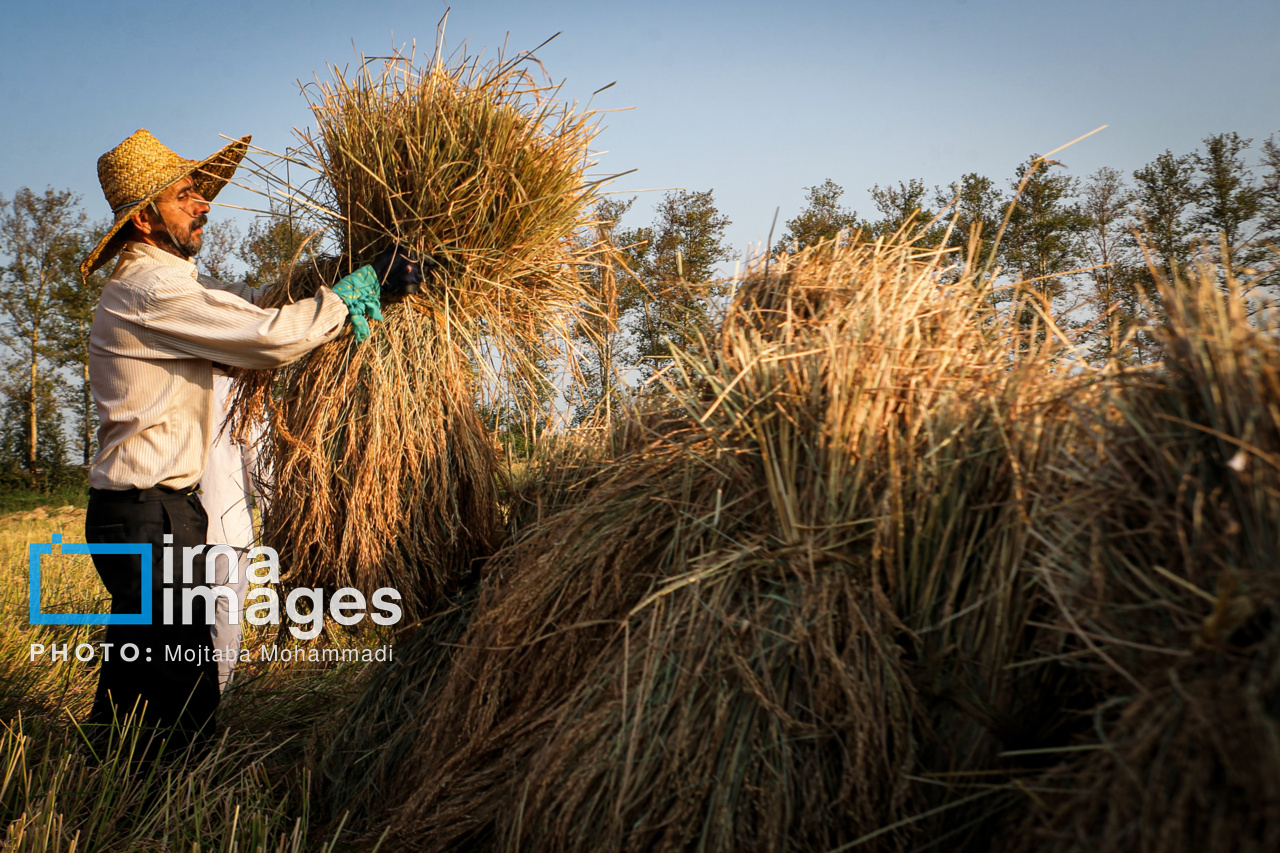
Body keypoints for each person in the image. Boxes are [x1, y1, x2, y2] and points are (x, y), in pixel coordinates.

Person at [80, 128, 418, 760]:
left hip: (150, 510)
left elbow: (245, 314)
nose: (204, 203)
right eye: (186, 196)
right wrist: (348, 296)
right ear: (145, 220)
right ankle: (172, 805)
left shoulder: (167, 285)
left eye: (200, 192)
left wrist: (330, 279)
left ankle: (108, 783)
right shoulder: (152, 290)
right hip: (148, 511)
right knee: (183, 677)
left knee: (139, 669)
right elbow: (266, 336)